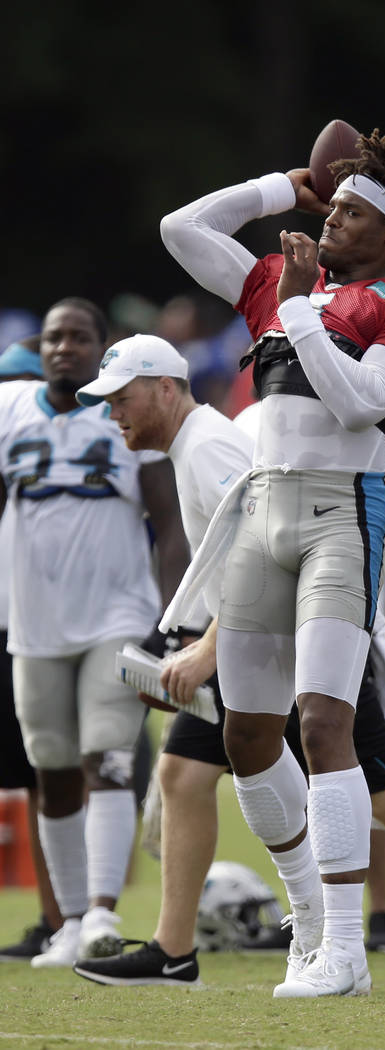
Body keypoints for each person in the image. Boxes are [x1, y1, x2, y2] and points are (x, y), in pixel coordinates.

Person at [70, 336, 385, 987]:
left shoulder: (210, 444)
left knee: (383, 790)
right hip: (261, 639)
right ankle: (175, 947)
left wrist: (207, 650)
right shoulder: (196, 444)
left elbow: (263, 551)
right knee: (183, 774)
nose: (114, 414)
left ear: (165, 387)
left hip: (297, 639)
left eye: (122, 398)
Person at [0, 299, 191, 968]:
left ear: (101, 349)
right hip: (32, 622)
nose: (64, 349)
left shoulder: (121, 416)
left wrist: (172, 625)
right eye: (55, 338)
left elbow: (169, 526)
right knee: (50, 771)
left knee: (107, 760)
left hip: (115, 615)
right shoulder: (10, 407)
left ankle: (103, 914)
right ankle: (69, 920)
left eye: (80, 338)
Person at [0, 338, 62, 961]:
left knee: (43, 772)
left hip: (23, 623)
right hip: (46, 621)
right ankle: (66, 916)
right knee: (53, 772)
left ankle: (62, 917)